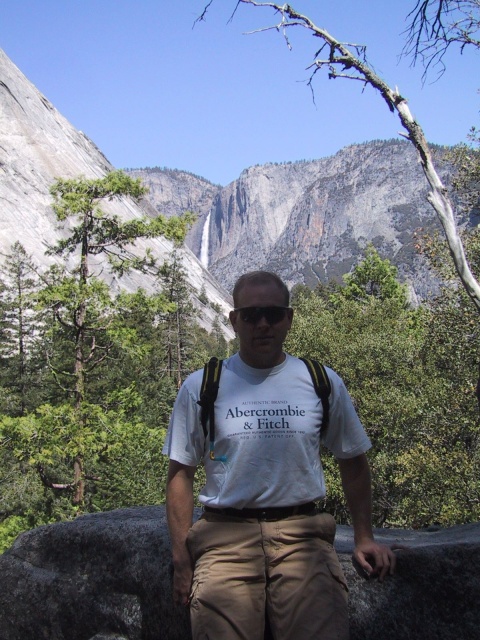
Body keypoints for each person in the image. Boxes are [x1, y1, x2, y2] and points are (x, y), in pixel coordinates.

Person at [163, 270, 396, 640]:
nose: (263, 325)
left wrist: (364, 537)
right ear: (234, 321)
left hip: (303, 539)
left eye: (273, 314)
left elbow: (352, 461)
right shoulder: (202, 386)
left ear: (289, 319)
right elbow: (180, 473)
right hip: (224, 540)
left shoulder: (321, 381)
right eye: (252, 315)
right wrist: (181, 558)